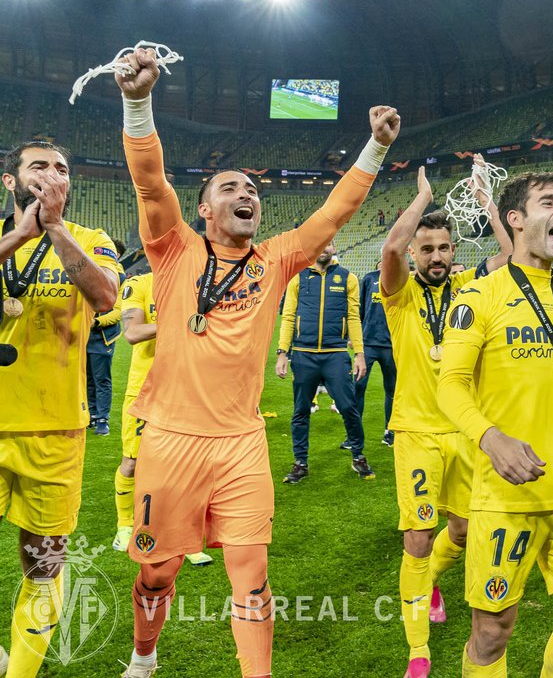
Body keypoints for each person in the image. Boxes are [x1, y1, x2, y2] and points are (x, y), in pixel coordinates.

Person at [114, 48, 400, 678]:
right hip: (170, 441)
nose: (247, 194)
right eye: (230, 188)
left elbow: (333, 216)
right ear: (205, 211)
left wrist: (374, 148)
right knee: (155, 572)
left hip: (242, 444)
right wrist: (138, 102)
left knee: (252, 574)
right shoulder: (172, 250)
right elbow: (149, 182)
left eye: (253, 189)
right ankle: (144, 653)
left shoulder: (274, 260)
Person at [437, 170, 553, 678]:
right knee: (492, 633)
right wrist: (491, 438)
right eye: (548, 202)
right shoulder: (479, 296)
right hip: (505, 497)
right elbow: (449, 385)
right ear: (515, 220)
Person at [380, 166, 511, 678]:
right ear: (416, 251)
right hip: (415, 430)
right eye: (426, 248)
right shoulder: (399, 294)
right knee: (417, 535)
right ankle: (419, 651)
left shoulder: (469, 287)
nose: (435, 257)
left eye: (443, 248)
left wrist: (487, 204)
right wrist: (424, 199)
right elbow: (389, 250)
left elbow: (513, 258)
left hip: (465, 428)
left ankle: (430, 579)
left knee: (459, 529)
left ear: (453, 250)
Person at [0, 140, 120, 676]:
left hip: (55, 430)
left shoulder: (91, 239)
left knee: (43, 562)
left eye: (62, 168)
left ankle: (20, 671)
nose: (51, 174)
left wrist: (52, 229)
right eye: (38, 166)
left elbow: (106, 297)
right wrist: (18, 237)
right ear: (11, 181)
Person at [112, 271, 214, 566]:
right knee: (132, 462)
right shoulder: (138, 284)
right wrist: (176, 324)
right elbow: (132, 333)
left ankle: (184, 538)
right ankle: (125, 524)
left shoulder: (196, 286)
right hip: (145, 391)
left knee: (185, 466)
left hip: (185, 389)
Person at [276, 240, 374, 482]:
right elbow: (288, 317)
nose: (324, 248)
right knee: (300, 411)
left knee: (348, 407)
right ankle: (300, 462)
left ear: (334, 247)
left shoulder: (347, 278)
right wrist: (282, 353)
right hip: (303, 353)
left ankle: (358, 456)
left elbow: (353, 317)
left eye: (328, 243)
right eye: (319, 244)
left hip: (336, 355)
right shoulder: (297, 278)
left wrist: (359, 353)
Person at [354, 260, 397, 446]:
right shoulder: (369, 278)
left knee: (393, 390)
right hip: (367, 344)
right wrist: (354, 338)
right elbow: (359, 308)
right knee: (357, 387)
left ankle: (390, 430)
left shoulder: (400, 278)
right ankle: (354, 433)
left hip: (392, 344)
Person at [86, 240, 126, 435]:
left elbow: (119, 311)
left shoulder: (120, 277)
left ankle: (103, 419)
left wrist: (96, 322)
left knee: (101, 379)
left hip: (103, 335)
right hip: (85, 334)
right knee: (87, 378)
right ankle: (91, 416)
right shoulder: (90, 271)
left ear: (116, 255)